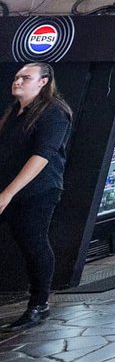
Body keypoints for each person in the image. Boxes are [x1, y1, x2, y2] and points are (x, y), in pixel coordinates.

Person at [0, 63, 73, 329]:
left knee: (34, 244)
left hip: (37, 192)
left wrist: (7, 194)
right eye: (17, 77)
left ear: (43, 82)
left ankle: (39, 305)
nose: (18, 81)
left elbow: (42, 156)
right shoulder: (14, 112)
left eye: (26, 78)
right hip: (7, 188)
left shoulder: (54, 112)